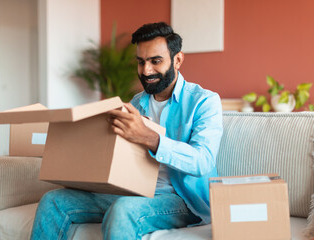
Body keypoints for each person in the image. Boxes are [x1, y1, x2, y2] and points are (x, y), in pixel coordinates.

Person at [30, 22, 223, 240]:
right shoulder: (135, 104)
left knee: (124, 210)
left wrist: (150, 138)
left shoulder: (204, 101)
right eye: (141, 62)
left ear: (177, 60)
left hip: (183, 200)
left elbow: (203, 160)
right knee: (54, 201)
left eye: (155, 61)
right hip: (132, 191)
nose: (146, 70)